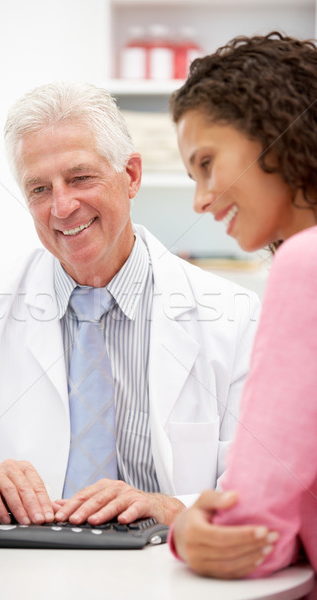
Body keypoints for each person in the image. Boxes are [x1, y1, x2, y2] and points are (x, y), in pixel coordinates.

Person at [0, 81, 260, 529]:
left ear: (131, 175)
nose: (62, 206)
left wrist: (172, 508)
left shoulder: (234, 317)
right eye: (39, 189)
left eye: (80, 178)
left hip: (167, 572)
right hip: (19, 574)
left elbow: (258, 494)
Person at [168, 31, 317, 584]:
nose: (201, 199)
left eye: (207, 163)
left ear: (276, 134)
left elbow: (251, 535)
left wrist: (185, 529)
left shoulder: (305, 264)